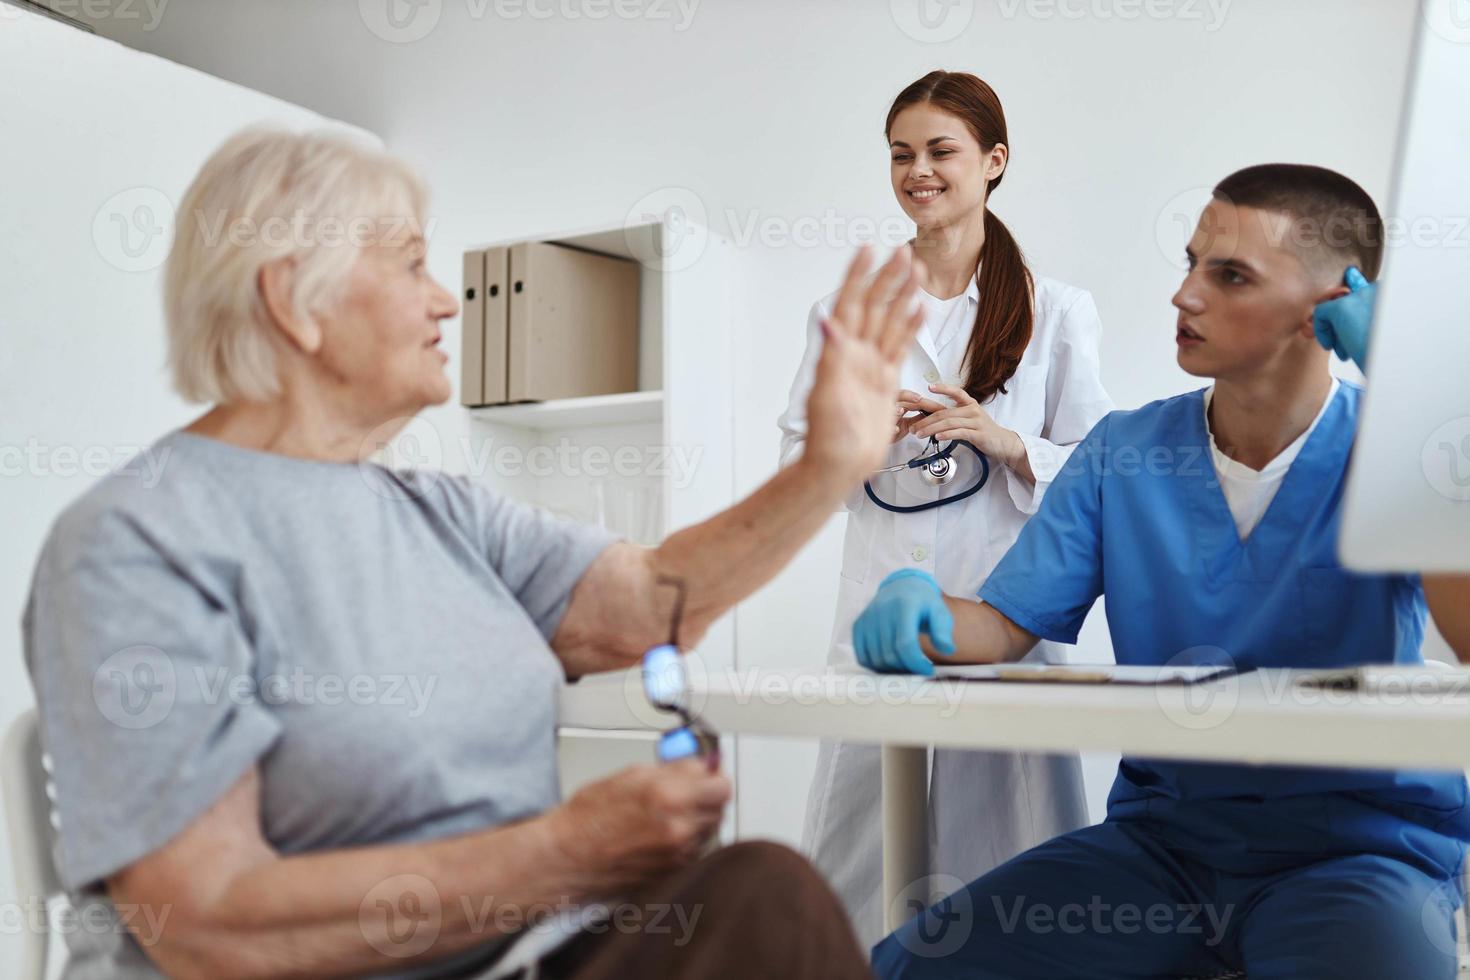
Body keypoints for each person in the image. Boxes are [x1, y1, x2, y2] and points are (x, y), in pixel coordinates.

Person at [22, 126, 927, 980]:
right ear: (294, 300)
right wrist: (566, 852)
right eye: (411, 263)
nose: (447, 298)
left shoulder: (441, 512)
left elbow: (651, 604)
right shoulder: (136, 542)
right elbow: (208, 917)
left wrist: (827, 467)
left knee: (762, 899)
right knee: (765, 907)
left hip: (519, 953)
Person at [856, 163, 1470, 978]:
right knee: (909, 967)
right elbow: (1003, 626)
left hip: (1358, 852)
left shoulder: (1401, 454)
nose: (1184, 296)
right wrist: (920, 605)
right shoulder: (1125, 452)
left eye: (1230, 275)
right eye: (1190, 263)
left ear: (1330, 304)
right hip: (1166, 847)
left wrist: (1411, 396)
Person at [777, 70, 1112, 946]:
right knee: (858, 855)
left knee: (1009, 866)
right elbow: (794, 465)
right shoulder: (844, 313)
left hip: (1000, 613)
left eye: (940, 151)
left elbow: (1100, 475)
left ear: (994, 161)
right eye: (901, 154)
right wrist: (850, 444)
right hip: (877, 617)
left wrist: (1001, 439)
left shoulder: (1059, 313)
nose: (917, 170)